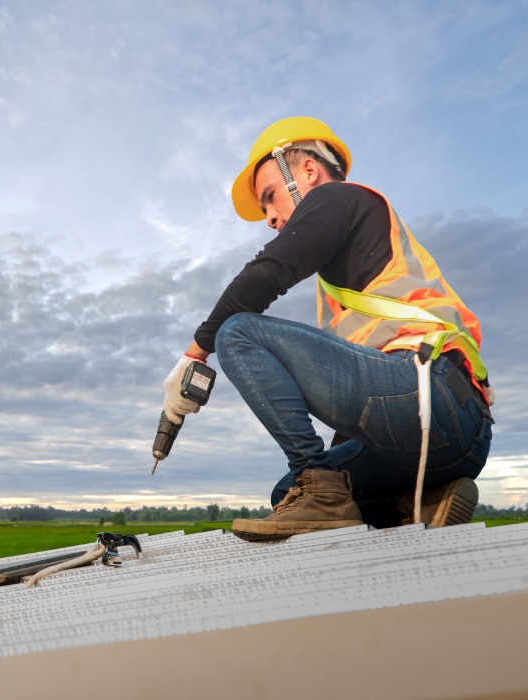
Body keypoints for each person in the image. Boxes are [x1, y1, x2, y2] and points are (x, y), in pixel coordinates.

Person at [163, 117, 493, 540]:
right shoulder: (345, 276)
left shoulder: (339, 197)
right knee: (287, 493)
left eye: (270, 197)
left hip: (433, 398)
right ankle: (423, 500)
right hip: (452, 436)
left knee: (238, 332)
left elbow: (268, 273)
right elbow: (360, 396)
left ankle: (322, 485)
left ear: (306, 172)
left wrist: (195, 353)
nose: (269, 217)